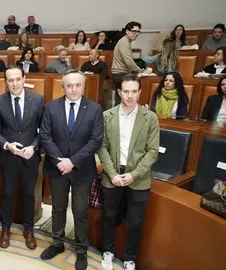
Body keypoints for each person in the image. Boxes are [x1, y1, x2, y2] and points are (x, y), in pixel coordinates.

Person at [39, 70, 104, 270]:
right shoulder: (50, 107)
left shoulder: (94, 109)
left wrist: (72, 161)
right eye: (69, 85)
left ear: (83, 86)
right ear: (63, 87)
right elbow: (45, 137)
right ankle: (57, 243)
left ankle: (81, 249)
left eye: (78, 85)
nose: (74, 89)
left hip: (82, 169)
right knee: (58, 208)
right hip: (57, 167)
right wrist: (61, 161)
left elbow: (96, 140)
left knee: (80, 210)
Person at [97, 73, 160, 270]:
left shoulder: (150, 118)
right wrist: (113, 173)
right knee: (109, 217)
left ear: (140, 92)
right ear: (119, 92)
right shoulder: (107, 116)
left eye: (134, 91)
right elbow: (102, 147)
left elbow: (152, 151)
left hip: (138, 178)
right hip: (112, 175)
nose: (130, 96)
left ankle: (130, 258)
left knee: (135, 222)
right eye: (126, 91)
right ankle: (108, 251)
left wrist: (133, 175)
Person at [0, 66, 44, 250]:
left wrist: (34, 147)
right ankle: (6, 228)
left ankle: (28, 229)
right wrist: (7, 145)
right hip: (9, 157)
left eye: (17, 79)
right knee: (8, 194)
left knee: (29, 195)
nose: (14, 83)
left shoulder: (37, 100)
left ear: (24, 79)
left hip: (30, 156)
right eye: (10, 80)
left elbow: (43, 130)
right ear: (6, 82)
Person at [112, 21, 144, 105]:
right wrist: (140, 71)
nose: (136, 34)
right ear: (127, 31)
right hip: (120, 73)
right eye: (134, 31)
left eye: (138, 32)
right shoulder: (124, 42)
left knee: (122, 100)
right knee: (123, 100)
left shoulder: (126, 42)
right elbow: (129, 61)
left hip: (121, 73)